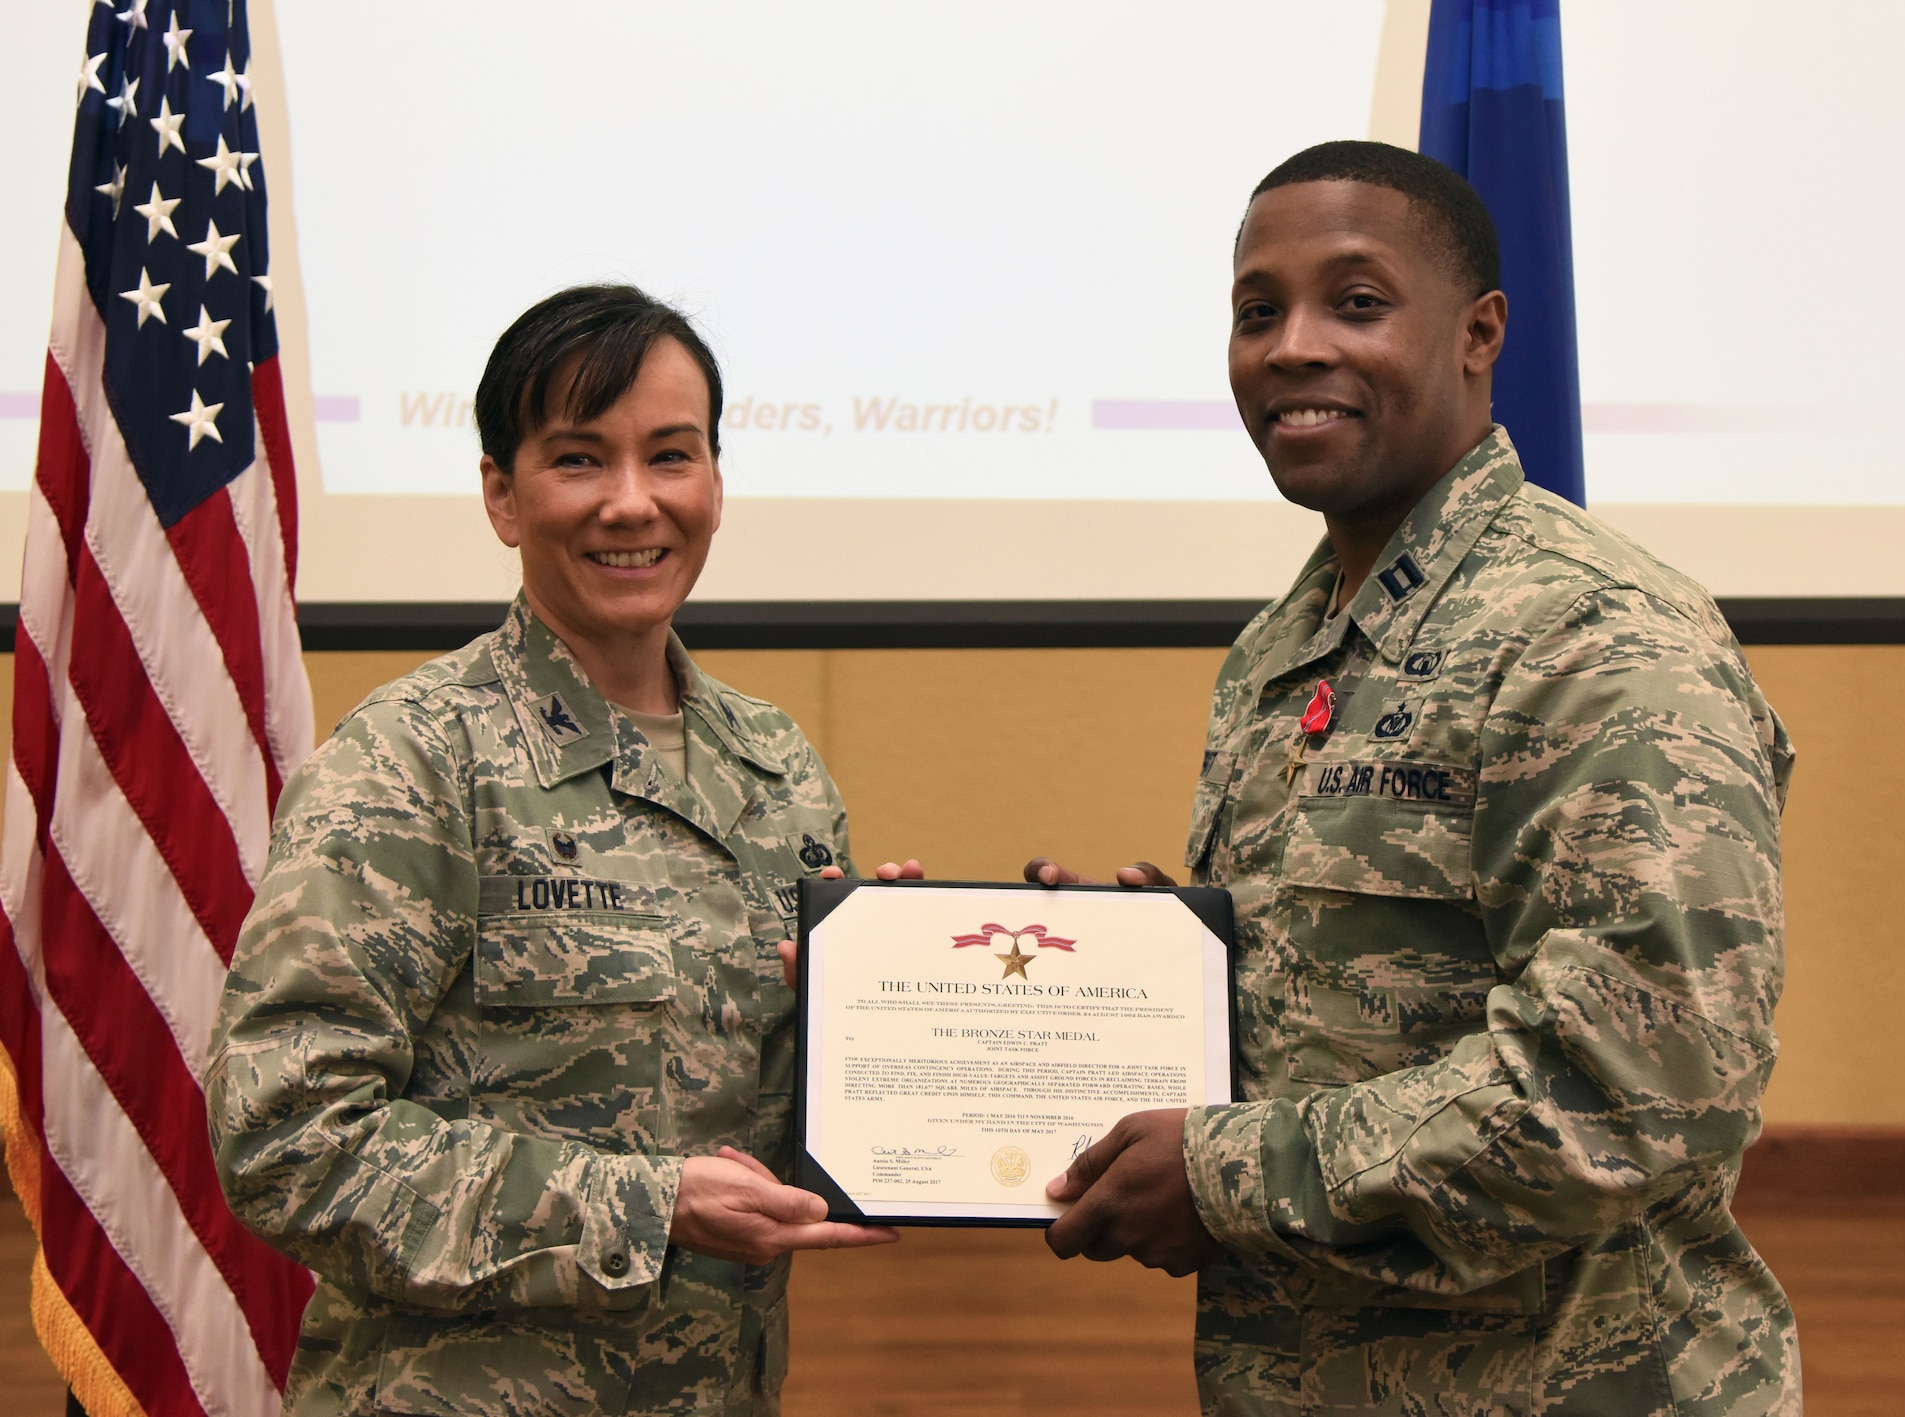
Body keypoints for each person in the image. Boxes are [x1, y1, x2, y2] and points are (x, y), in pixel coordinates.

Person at [1024, 142, 1801, 1415]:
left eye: (1356, 301)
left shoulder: (1594, 635)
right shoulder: (1284, 645)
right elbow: (1360, 978)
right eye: (1255, 311)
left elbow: (1637, 1082)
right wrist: (1123, 977)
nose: (1290, 347)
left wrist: (1224, 1171)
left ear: (1478, 331)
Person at [206, 284, 899, 1416]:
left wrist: (898, 996)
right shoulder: (413, 762)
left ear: (715, 482)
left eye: (670, 456)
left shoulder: (779, 771)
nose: (633, 504)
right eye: (579, 460)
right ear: (501, 494)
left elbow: (793, 1117)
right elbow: (289, 1138)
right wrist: (645, 1207)